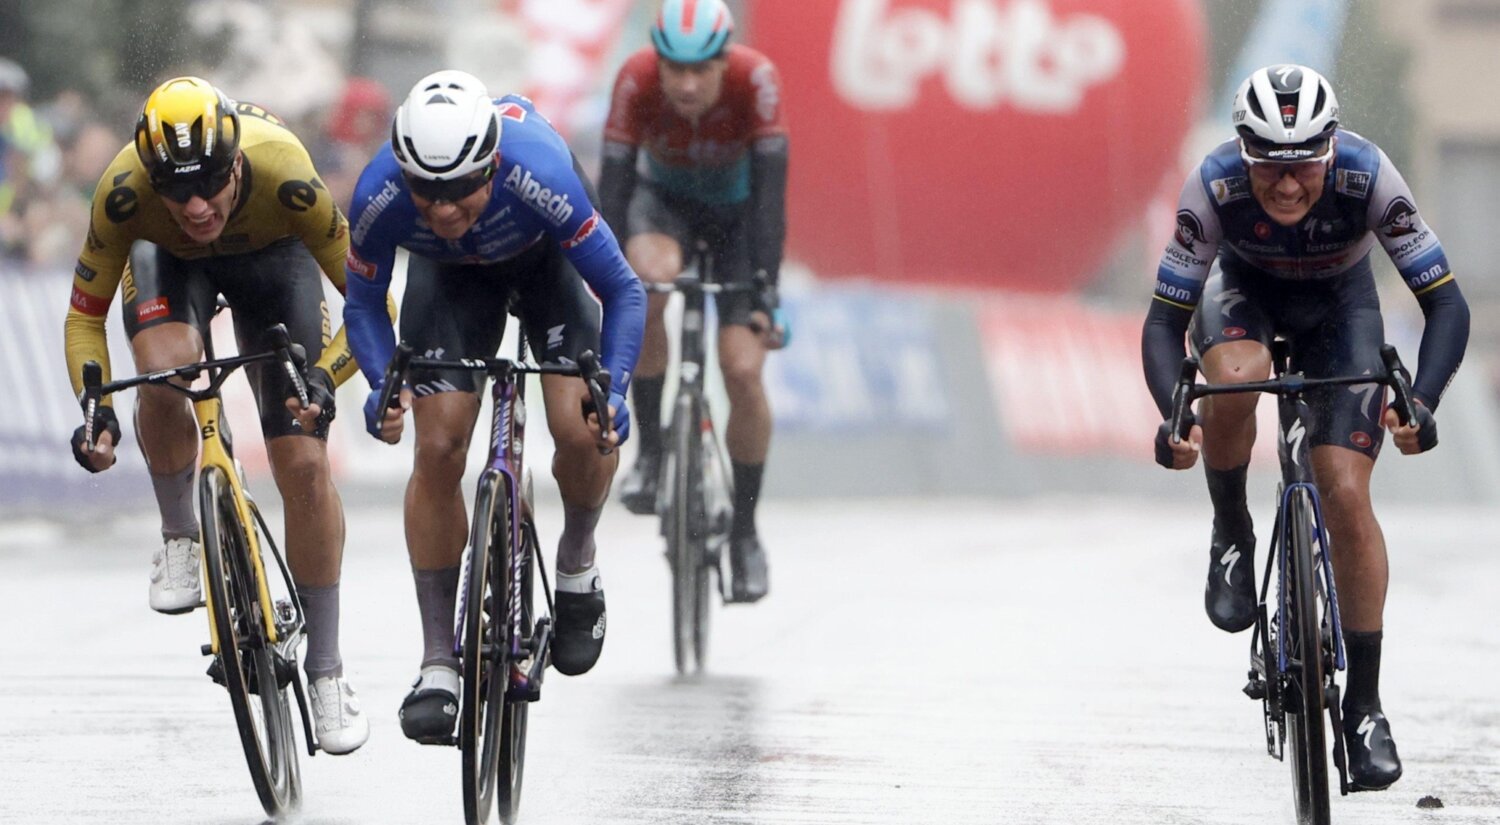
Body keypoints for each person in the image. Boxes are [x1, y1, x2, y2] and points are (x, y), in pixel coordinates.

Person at [1142, 65, 1469, 791]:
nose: (1287, 186)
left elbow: (1446, 305)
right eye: (1268, 167)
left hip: (1340, 309)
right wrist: (1175, 414)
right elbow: (1165, 322)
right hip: (1244, 296)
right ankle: (1232, 529)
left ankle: (1365, 707)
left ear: (1329, 150)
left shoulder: (1368, 176)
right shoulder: (1214, 185)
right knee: (1234, 377)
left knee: (1345, 492)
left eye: (1303, 167)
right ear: (1243, 154)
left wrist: (1421, 401)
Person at [64, 76, 374, 754]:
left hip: (274, 263)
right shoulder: (123, 192)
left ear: (235, 162)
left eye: (209, 183)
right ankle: (182, 533)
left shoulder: (286, 172)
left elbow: (369, 305)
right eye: (177, 191)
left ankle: (326, 669)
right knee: (164, 368)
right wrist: (98, 407)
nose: (198, 206)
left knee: (303, 461)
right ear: (152, 178)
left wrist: (324, 379)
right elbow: (84, 318)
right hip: (169, 263)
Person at [342, 70, 645, 744]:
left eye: (459, 189)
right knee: (438, 446)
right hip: (450, 282)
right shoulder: (379, 192)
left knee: (584, 428)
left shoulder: (540, 172)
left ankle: (576, 561)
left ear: (491, 164)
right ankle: (438, 662)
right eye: (426, 191)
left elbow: (624, 291)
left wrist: (617, 388)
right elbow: (361, 304)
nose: (444, 209)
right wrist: (382, 385)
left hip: (547, 268)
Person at [600, 0, 789, 603]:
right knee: (645, 284)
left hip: (739, 221)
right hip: (664, 209)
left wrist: (766, 288)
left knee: (742, 370)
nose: (686, 84)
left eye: (701, 69)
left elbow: (771, 194)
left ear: (724, 61)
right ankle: (653, 454)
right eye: (674, 69)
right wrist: (607, 281)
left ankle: (745, 531)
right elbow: (615, 188)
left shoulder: (755, 79)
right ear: (656, 60)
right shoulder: (634, 77)